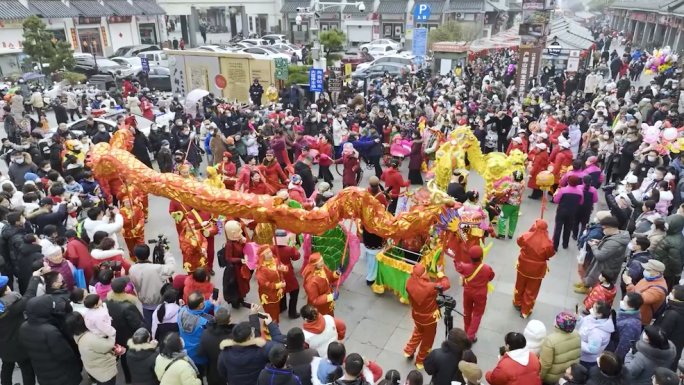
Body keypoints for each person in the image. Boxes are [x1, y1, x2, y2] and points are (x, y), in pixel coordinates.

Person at [20, 295, 83, 385]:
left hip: (42, 371)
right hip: (61, 374)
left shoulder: (24, 326)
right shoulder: (50, 331)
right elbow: (65, 354)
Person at [198, 304, 261, 385]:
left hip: (214, 375)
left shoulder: (205, 334)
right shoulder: (235, 336)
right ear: (229, 319)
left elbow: (201, 354)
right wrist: (253, 315)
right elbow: (255, 335)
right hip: (232, 373)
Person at [403, 263, 451, 370]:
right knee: (428, 339)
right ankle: (420, 359)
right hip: (429, 319)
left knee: (418, 331)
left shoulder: (409, 283)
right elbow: (446, 284)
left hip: (416, 315)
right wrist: (440, 273)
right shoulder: (429, 287)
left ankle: (409, 349)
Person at [217, 312, 286, 385]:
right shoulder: (261, 350)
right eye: (253, 331)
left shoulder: (225, 352)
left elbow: (222, 371)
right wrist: (270, 324)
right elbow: (279, 344)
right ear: (250, 337)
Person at [0, 272, 40, 385]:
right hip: (19, 345)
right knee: (27, 369)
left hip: (2, 347)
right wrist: (35, 277)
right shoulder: (12, 307)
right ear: (5, 290)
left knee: (7, 367)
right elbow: (29, 295)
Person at [513, 219, 555, 318]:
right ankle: (525, 311)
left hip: (523, 266)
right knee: (531, 291)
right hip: (537, 271)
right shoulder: (549, 243)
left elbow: (519, 242)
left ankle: (517, 302)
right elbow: (551, 253)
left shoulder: (525, 236)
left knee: (520, 285)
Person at [129, 243, 176, 329]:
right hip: (159, 303)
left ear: (136, 256)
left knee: (150, 327)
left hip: (145, 304)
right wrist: (167, 254)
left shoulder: (132, 269)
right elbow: (171, 267)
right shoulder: (157, 268)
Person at [579, 217, 630, 294]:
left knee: (598, 285)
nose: (603, 231)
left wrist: (593, 246)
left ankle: (592, 295)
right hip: (608, 265)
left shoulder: (614, 243)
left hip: (605, 268)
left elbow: (600, 256)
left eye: (603, 228)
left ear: (609, 228)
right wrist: (600, 242)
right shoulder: (619, 235)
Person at [66, 311, 119, 385]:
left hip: (94, 368)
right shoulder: (90, 338)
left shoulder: (76, 335)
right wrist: (111, 334)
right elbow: (109, 345)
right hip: (104, 371)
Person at [454, 245, 494, 341]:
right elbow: (491, 277)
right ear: (481, 257)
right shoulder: (487, 268)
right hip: (480, 294)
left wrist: (455, 258)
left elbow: (457, 266)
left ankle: (466, 330)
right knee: (477, 314)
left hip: (467, 292)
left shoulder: (465, 267)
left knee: (467, 312)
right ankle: (470, 336)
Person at [178, 290, 217, 374]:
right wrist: (217, 306)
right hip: (200, 355)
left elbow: (196, 311)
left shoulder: (181, 312)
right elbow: (219, 326)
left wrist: (209, 303)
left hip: (186, 351)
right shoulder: (204, 322)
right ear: (200, 305)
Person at [538, 312, 581, 384]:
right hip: (567, 374)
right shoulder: (577, 334)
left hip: (552, 378)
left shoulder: (550, 341)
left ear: (558, 325)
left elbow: (545, 364)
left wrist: (540, 378)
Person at [624, 259, 668, 325]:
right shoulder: (649, 278)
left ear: (657, 273)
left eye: (648, 270)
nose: (645, 271)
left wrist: (629, 284)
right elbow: (636, 290)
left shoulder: (659, 290)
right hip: (631, 311)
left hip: (639, 318)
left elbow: (640, 299)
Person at [577, 300, 614, 369]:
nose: (591, 309)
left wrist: (577, 341)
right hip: (581, 352)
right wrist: (578, 318)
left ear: (599, 314)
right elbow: (585, 323)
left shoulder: (597, 333)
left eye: (593, 308)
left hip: (586, 360)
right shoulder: (594, 317)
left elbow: (592, 349)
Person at [654, 285, 684, 370]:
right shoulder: (678, 309)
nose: (670, 294)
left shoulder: (672, 314)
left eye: (672, 293)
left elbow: (663, 332)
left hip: (666, 348)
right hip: (676, 346)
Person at [651, 214, 684, 290]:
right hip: (663, 268)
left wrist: (677, 273)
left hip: (666, 272)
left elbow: (675, 260)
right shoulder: (673, 235)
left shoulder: (674, 242)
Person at [302, 252, 340, 317]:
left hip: (327, 304)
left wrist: (337, 272)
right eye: (321, 261)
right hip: (320, 309)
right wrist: (331, 296)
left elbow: (329, 277)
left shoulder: (322, 268)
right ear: (315, 264)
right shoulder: (311, 282)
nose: (323, 263)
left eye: (322, 260)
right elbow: (314, 300)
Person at [553, 176, 585, 250]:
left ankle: (555, 246)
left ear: (568, 182)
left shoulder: (562, 190)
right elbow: (581, 202)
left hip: (561, 211)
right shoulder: (580, 192)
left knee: (558, 228)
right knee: (567, 228)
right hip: (572, 212)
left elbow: (555, 200)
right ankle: (565, 244)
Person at [612, 292, 644, 360]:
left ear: (632, 307)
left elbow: (624, 345)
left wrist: (614, 359)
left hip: (615, 347)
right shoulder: (626, 312)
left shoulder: (629, 325)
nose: (621, 302)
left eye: (625, 302)